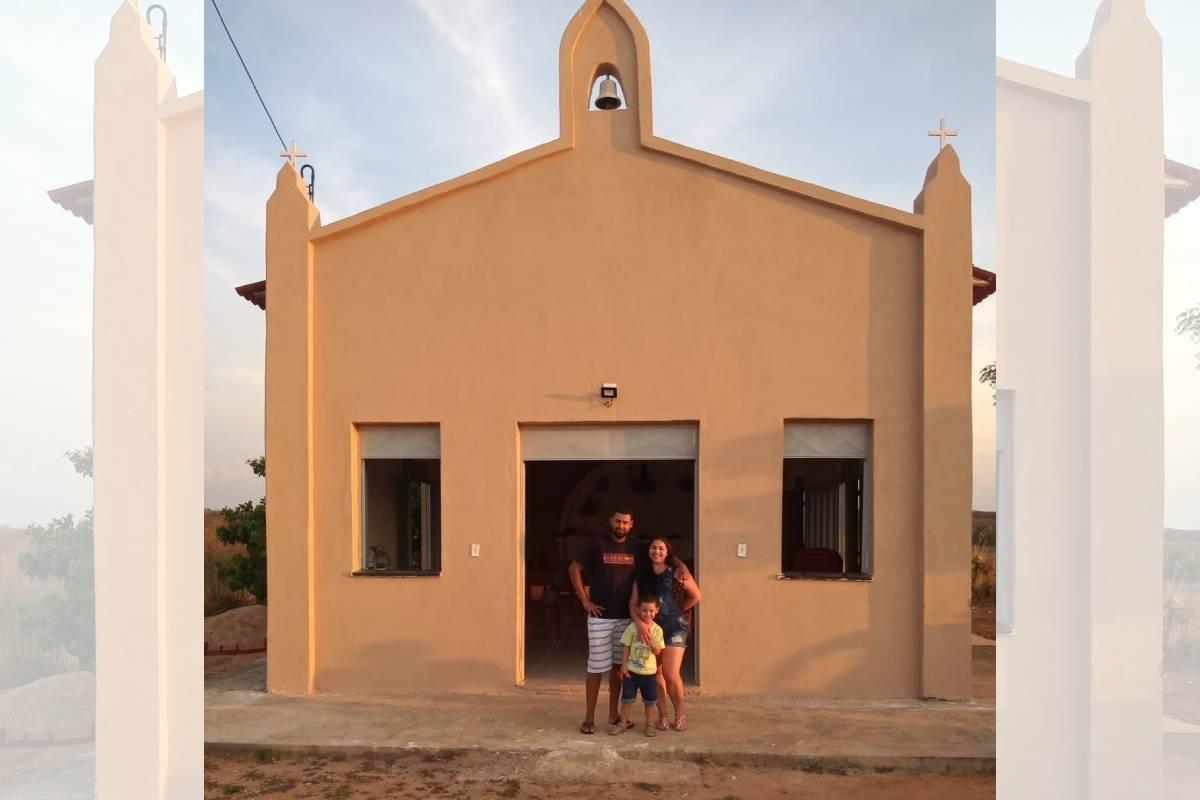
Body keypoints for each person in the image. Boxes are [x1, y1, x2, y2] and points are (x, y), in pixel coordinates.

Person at [568, 509, 641, 734]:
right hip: (600, 617)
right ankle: (589, 718)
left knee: (618, 669)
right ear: (611, 521)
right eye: (617, 521)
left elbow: (664, 551)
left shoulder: (637, 546)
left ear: (631, 524)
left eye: (625, 522)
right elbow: (574, 568)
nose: (620, 526)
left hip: (626, 618)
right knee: (596, 667)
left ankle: (613, 714)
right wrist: (584, 600)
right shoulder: (596, 544)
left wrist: (683, 567)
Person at [630, 536, 701, 732]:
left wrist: (679, 610)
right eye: (653, 548)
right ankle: (662, 716)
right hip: (651, 629)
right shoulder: (642, 575)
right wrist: (640, 624)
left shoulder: (677, 572)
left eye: (661, 548)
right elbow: (633, 603)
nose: (657, 551)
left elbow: (696, 595)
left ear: (667, 552)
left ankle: (679, 715)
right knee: (656, 674)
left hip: (674, 628)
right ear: (648, 551)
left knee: (670, 674)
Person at [610, 595, 665, 737]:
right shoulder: (632, 628)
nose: (648, 613)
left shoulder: (658, 630)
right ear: (638, 611)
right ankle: (623, 722)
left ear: (657, 610)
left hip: (649, 673)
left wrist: (654, 645)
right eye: (644, 610)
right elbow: (626, 646)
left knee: (650, 700)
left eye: (651, 610)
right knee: (626, 698)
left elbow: (659, 652)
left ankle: (650, 724)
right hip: (631, 672)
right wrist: (623, 666)